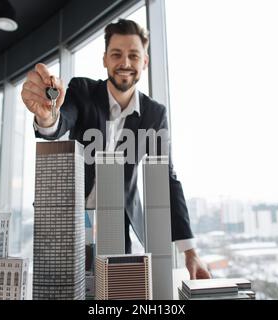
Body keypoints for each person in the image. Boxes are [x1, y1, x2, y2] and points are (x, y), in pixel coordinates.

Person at [21, 19, 210, 280]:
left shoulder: (154, 114)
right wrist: (46, 116)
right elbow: (60, 121)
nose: (125, 63)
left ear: (144, 61)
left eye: (133, 55)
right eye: (116, 54)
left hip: (118, 224)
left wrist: (189, 251)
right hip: (70, 220)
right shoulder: (82, 91)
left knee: (118, 291)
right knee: (62, 287)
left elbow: (166, 177)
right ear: (105, 60)